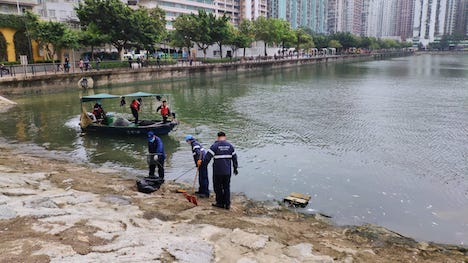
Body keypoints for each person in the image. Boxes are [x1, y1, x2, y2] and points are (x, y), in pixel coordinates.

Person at [202, 131, 238, 209]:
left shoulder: (215, 146)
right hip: (227, 172)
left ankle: (220, 203)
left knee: (218, 187)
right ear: (225, 137)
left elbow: (207, 158)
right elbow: (235, 158)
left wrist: (203, 166)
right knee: (226, 187)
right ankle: (227, 204)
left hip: (218, 171)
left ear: (218, 137)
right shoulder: (230, 146)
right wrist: (235, 168)